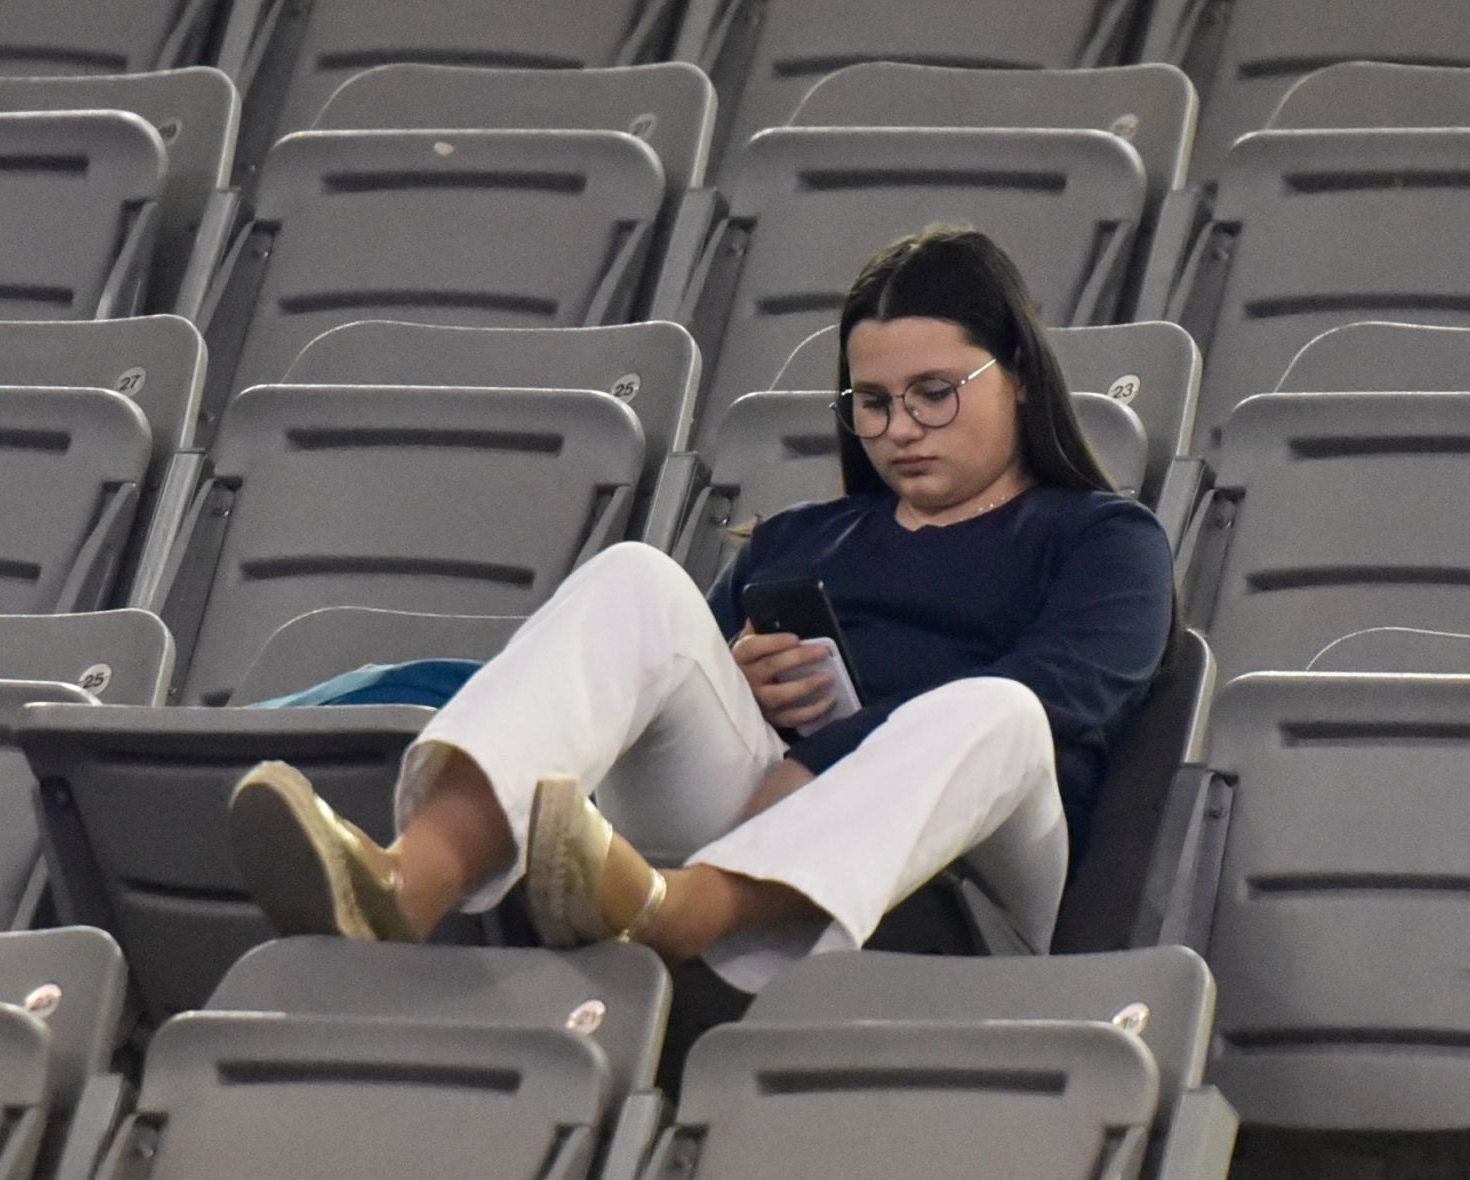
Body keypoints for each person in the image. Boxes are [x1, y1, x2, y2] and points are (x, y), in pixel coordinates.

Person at [226, 224, 1174, 993]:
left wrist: (821, 761)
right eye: (872, 403)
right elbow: (669, 698)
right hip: (763, 821)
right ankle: (408, 882)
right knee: (638, 577)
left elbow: (1060, 701)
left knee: (993, 708)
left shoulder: (1101, 536)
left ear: (1014, 371)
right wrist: (738, 682)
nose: (900, 431)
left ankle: (686, 912)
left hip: (977, 874)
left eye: (935, 394)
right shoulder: (800, 538)